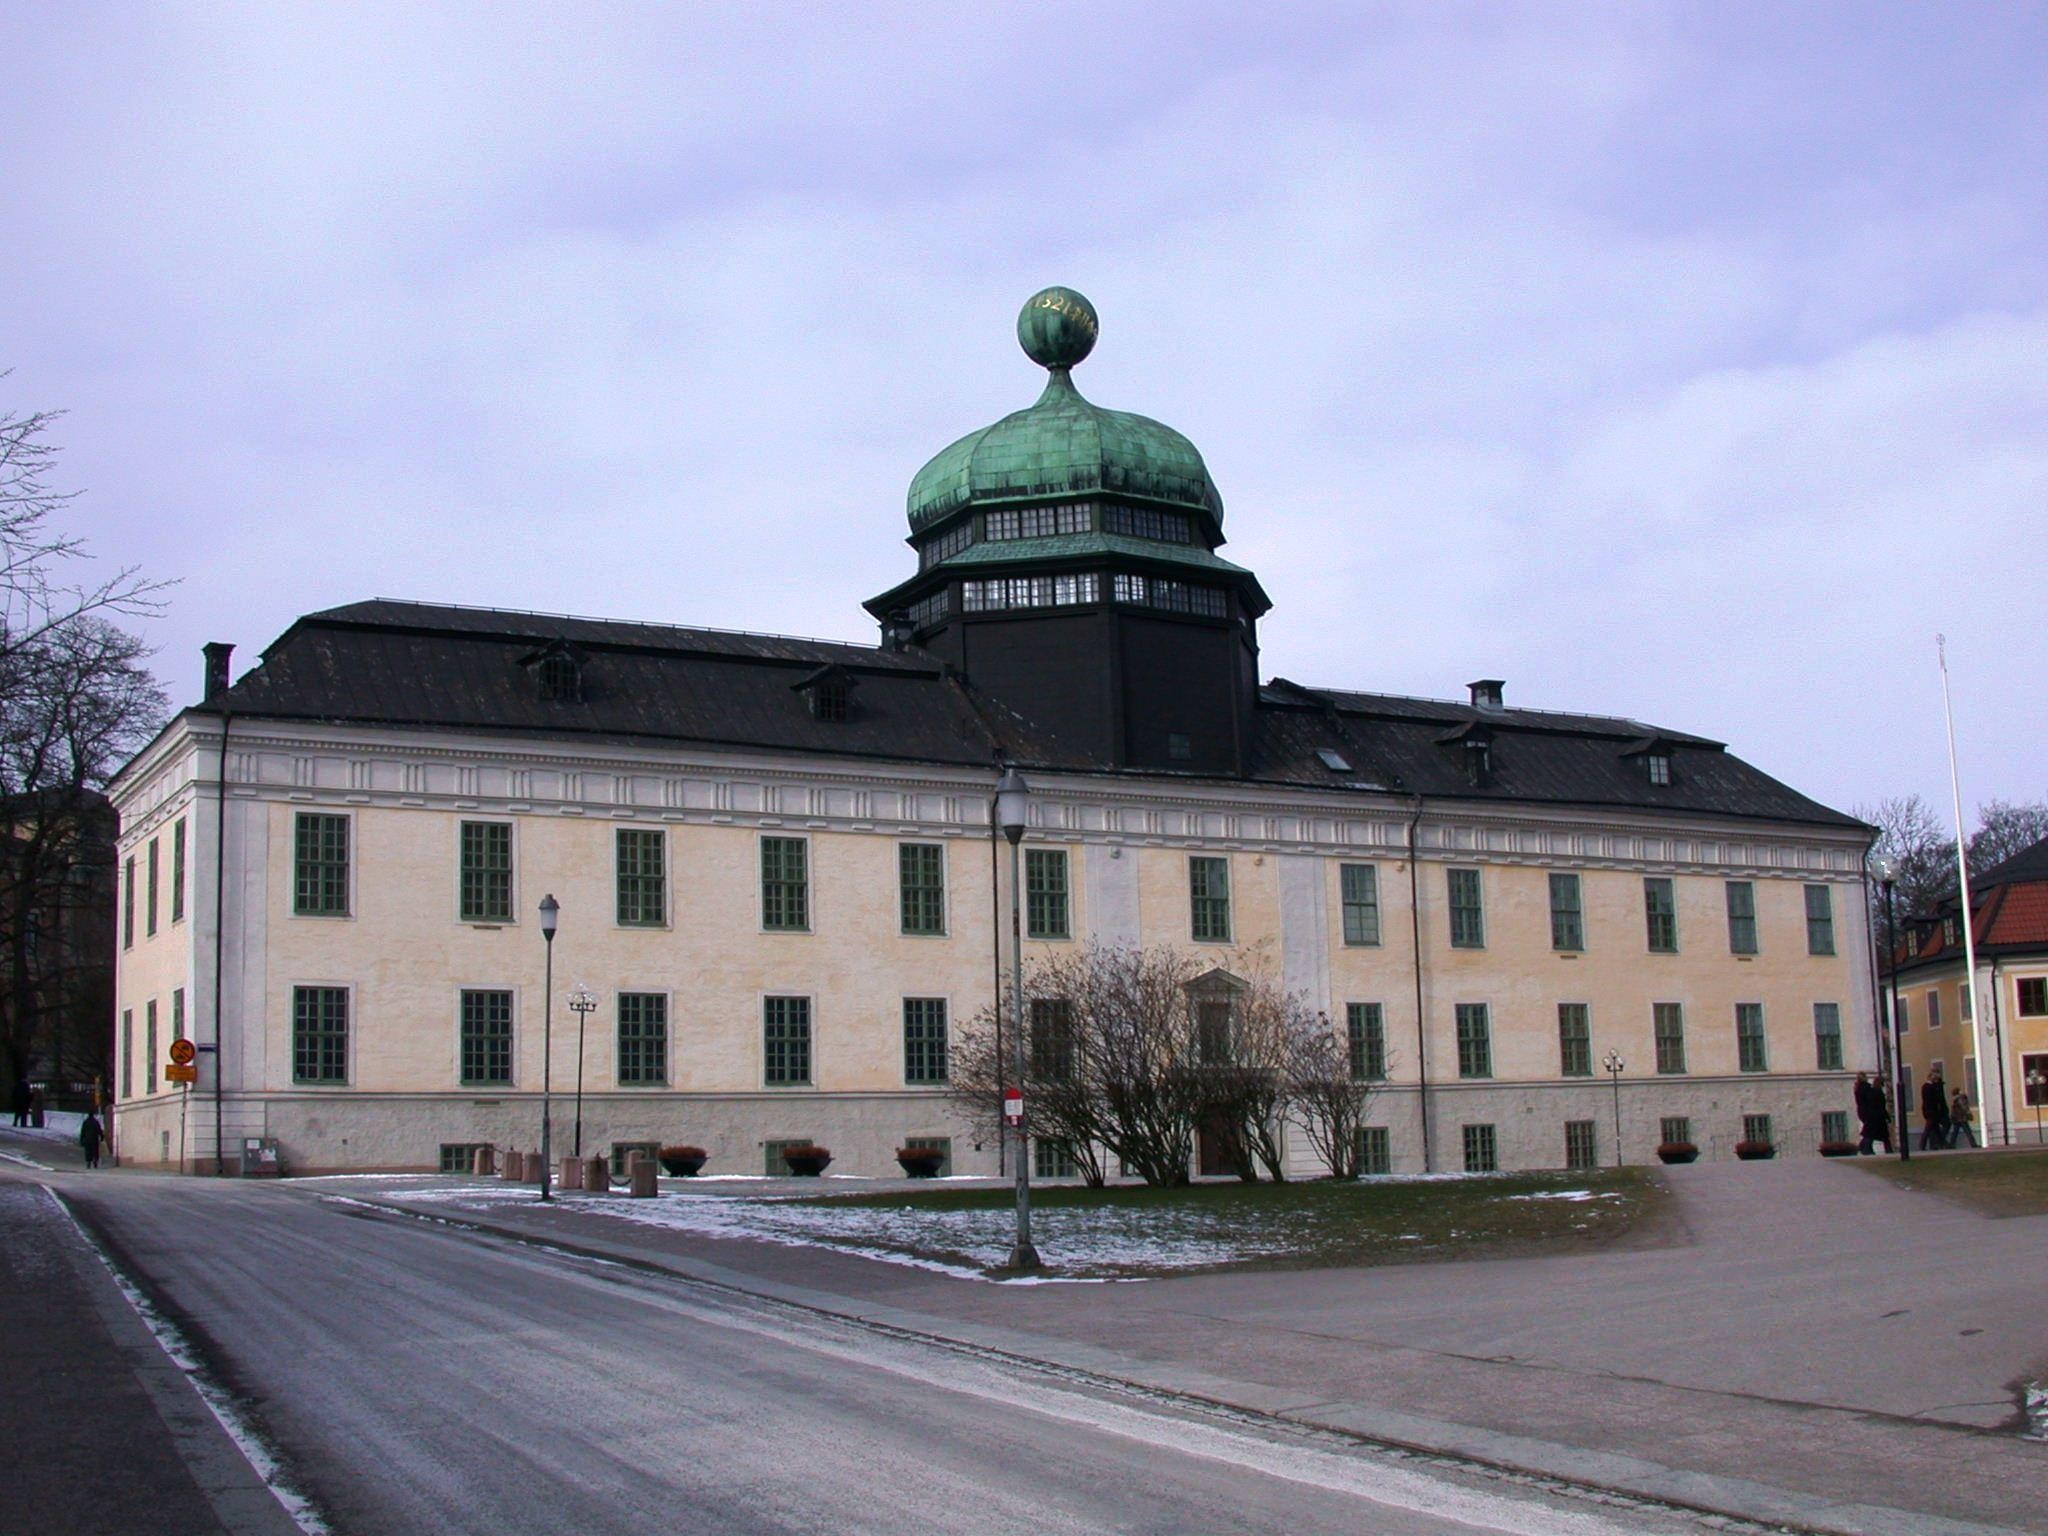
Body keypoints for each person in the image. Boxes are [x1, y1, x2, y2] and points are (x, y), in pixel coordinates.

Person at [1854, 1071, 1892, 1155]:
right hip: (1875, 1115)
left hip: (1868, 1113)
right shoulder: (1869, 1089)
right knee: (1872, 1134)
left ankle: (1865, 1148)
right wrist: (1886, 1116)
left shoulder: (1859, 1088)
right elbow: (1879, 1105)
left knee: (1870, 1133)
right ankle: (1866, 1149)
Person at [1920, 1067, 1950, 1151]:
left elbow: (1940, 1098)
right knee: (1929, 1128)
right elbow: (1929, 1100)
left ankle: (1941, 1143)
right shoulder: (1927, 1087)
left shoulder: (1935, 1086)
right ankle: (1923, 1145)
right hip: (1931, 1111)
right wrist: (1928, 1111)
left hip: (1935, 1111)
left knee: (1936, 1129)